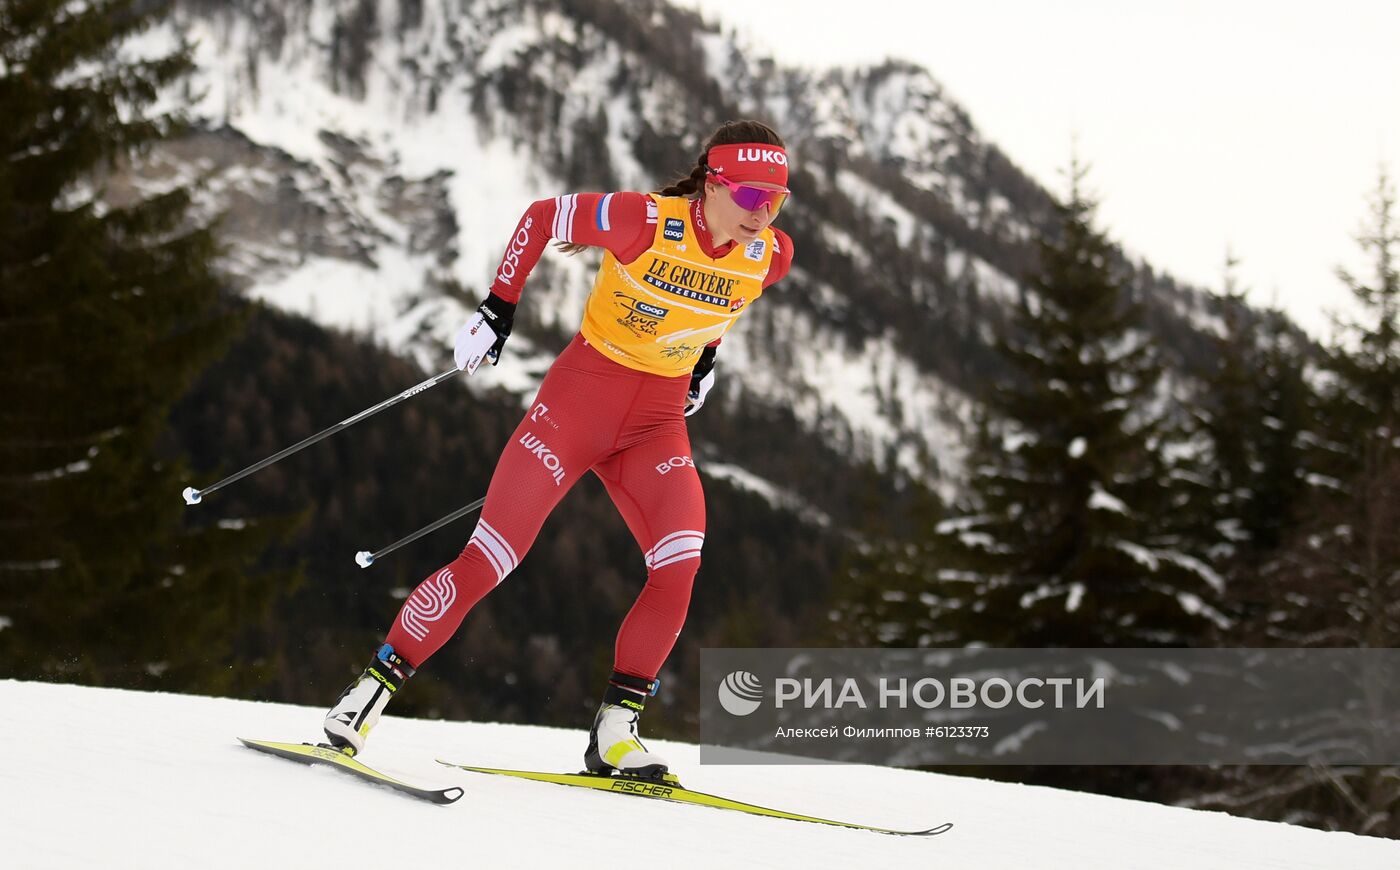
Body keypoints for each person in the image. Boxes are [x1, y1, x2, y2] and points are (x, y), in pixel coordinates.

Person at [322, 120, 795, 781]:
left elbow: (719, 306)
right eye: (750, 197)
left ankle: (615, 731)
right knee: (490, 560)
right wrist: (497, 310)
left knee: (681, 560)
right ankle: (368, 692)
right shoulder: (641, 219)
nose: (763, 214)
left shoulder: (771, 254)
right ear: (712, 184)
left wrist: (703, 362)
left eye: (777, 199)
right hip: (577, 405)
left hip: (655, 425)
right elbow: (544, 217)